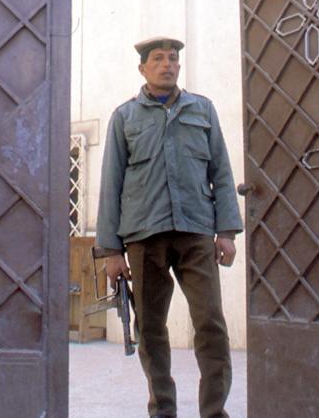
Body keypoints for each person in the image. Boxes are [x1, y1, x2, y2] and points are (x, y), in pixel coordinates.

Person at [94, 36, 244, 418]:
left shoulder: (202, 110)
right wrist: (111, 252)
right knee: (152, 331)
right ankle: (163, 410)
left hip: (196, 233)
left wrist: (226, 230)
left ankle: (214, 412)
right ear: (143, 68)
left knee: (210, 324)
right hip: (145, 238)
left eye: (173, 58)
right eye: (158, 59)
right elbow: (111, 184)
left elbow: (221, 173)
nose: (167, 64)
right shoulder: (124, 117)